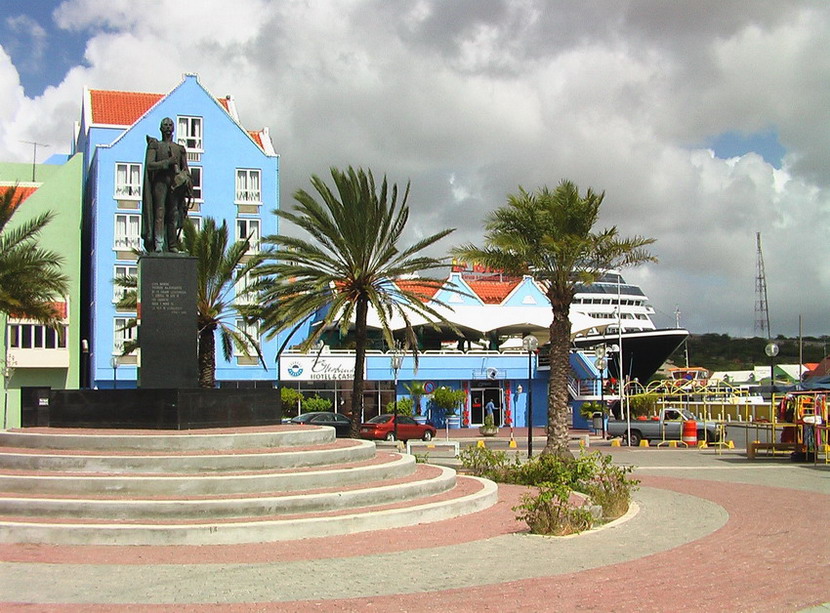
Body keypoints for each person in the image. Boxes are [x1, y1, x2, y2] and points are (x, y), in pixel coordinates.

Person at [141, 117, 192, 253]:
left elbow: (185, 168)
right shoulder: (155, 145)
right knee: (159, 211)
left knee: (173, 213)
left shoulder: (180, 149)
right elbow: (150, 165)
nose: (168, 127)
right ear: (161, 128)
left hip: (175, 184)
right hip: (160, 183)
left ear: (173, 128)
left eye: (170, 125)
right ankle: (159, 243)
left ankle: (172, 245)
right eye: (165, 125)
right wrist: (167, 162)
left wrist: (185, 179)